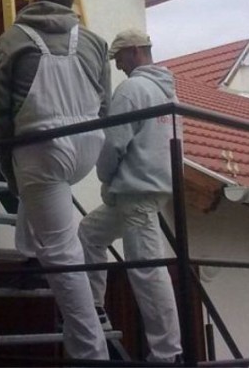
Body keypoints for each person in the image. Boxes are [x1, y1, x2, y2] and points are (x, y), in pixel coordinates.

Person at [0, 0, 111, 361]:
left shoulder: (13, 39)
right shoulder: (94, 41)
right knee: (44, 199)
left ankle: (92, 353)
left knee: (62, 251)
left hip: (41, 145)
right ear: (70, 2)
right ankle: (28, 252)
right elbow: (105, 101)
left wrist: (8, 154)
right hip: (87, 144)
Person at [78, 28, 183, 365]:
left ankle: (168, 355)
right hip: (148, 190)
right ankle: (95, 307)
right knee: (89, 233)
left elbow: (114, 143)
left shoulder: (132, 89)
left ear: (136, 51)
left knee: (147, 270)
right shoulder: (168, 93)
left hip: (134, 192)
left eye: (120, 56)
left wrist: (105, 178)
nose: (119, 64)